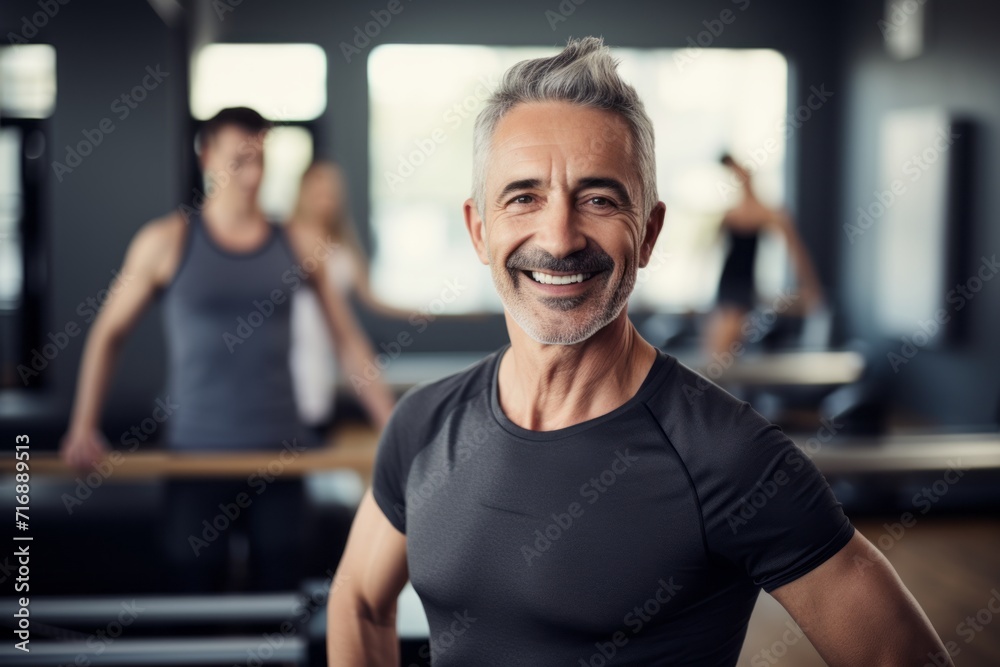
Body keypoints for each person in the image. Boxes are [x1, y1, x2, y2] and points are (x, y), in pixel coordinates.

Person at [326, 38, 952, 665]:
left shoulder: (729, 458)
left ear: (649, 232)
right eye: (524, 197)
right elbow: (357, 600)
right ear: (479, 230)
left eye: (598, 199)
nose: (560, 237)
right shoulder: (423, 424)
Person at [58, 107, 396, 592]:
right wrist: (83, 426)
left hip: (282, 453)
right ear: (207, 157)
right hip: (196, 453)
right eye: (239, 160)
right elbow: (109, 332)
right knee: (194, 592)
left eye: (260, 159)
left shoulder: (300, 242)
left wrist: (390, 424)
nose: (253, 174)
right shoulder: (165, 241)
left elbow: (349, 342)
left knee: (283, 594)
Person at [287, 160, 414, 438]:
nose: (325, 200)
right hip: (284, 371)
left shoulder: (343, 245)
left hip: (321, 365)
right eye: (318, 191)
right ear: (302, 192)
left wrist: (425, 311)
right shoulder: (285, 240)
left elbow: (356, 319)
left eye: (332, 193)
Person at [704, 153, 825, 357]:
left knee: (724, 355)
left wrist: (811, 288)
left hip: (743, 288)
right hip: (726, 287)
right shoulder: (730, 214)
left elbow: (797, 252)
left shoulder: (768, 213)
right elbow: (708, 252)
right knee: (714, 351)